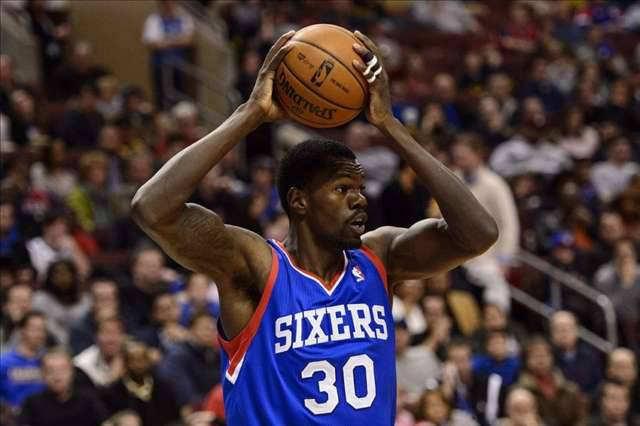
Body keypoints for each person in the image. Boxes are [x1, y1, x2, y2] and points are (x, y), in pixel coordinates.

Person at [131, 30, 498, 424]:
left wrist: (390, 126)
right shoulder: (256, 268)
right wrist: (248, 115)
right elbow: (152, 208)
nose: (359, 199)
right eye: (342, 189)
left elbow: (478, 234)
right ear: (299, 201)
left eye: (360, 188)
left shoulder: (380, 257)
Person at [18, 349, 108, 426]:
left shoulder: (88, 400)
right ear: (43, 374)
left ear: (72, 372)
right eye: (50, 371)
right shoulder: (32, 403)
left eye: (62, 370)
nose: (57, 376)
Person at [0, 311, 47, 408]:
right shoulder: (4, 363)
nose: (40, 334)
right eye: (35, 329)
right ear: (21, 331)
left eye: (42, 330)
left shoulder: (48, 361)